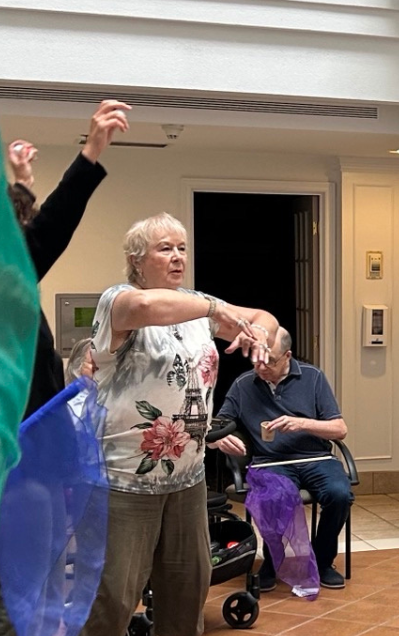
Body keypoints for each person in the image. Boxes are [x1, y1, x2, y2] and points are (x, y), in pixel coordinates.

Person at [0, 100, 131, 636]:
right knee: (11, 609)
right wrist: (88, 153)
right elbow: (46, 233)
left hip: (31, 467)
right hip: (5, 475)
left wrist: (20, 184)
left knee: (36, 596)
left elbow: (32, 234)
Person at [82, 211, 279, 636]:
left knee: (186, 596)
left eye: (183, 247)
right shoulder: (118, 299)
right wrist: (218, 308)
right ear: (137, 260)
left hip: (188, 481)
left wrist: (259, 335)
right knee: (112, 601)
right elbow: (148, 306)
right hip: (122, 482)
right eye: (165, 247)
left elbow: (264, 317)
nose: (178, 257)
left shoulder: (197, 307)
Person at [209, 328, 351, 590]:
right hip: (270, 462)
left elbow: (339, 429)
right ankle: (274, 560)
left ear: (288, 356)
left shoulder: (313, 377)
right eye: (257, 358)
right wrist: (217, 439)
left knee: (339, 494)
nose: (261, 366)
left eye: (270, 360)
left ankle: (321, 561)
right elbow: (219, 423)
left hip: (316, 458)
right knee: (274, 498)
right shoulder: (243, 384)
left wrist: (302, 424)